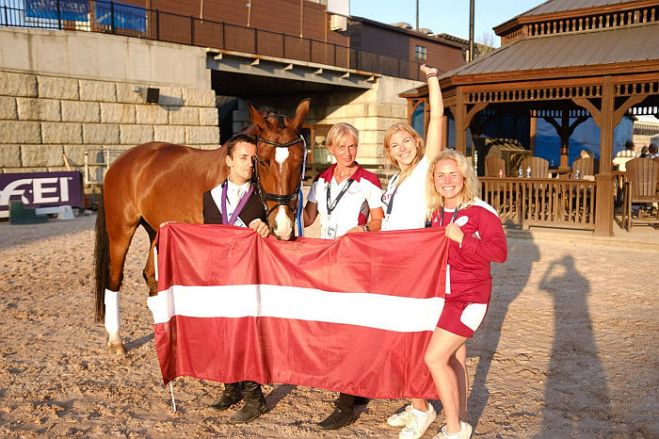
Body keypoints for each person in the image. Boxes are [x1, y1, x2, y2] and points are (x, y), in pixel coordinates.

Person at [302, 122, 384, 429]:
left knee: (348, 329)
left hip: (355, 258)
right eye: (342, 147)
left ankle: (346, 403)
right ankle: (358, 388)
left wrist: (361, 229)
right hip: (326, 257)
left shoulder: (368, 180)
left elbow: (379, 220)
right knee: (332, 326)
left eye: (353, 146)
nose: (348, 152)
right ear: (331, 149)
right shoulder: (321, 179)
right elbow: (310, 216)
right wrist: (291, 203)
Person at [423, 149, 507, 439]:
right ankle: (462, 418)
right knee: (455, 360)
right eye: (440, 175)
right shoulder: (434, 213)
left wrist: (465, 240)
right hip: (443, 298)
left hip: (470, 298)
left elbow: (499, 252)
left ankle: (455, 429)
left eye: (453, 174)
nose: (447, 180)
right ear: (433, 180)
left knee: (434, 358)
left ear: (464, 176)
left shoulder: (481, 211)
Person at [381, 64, 445, 439]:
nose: (402, 148)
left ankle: (423, 409)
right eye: (395, 146)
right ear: (389, 153)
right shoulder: (395, 178)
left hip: (413, 265)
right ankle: (416, 402)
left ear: (416, 143)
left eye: (406, 141)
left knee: (410, 337)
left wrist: (433, 79)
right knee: (395, 337)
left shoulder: (424, 170)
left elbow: (437, 116)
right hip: (393, 263)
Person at [205, 133, 270, 423]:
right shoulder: (209, 197)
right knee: (222, 333)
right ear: (229, 160)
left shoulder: (263, 196)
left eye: (254, 159)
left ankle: (256, 397)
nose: (250, 164)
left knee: (245, 335)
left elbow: (281, 232)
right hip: (220, 277)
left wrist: (266, 227)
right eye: (244, 158)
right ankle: (230, 388)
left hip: (251, 278)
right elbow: (205, 238)